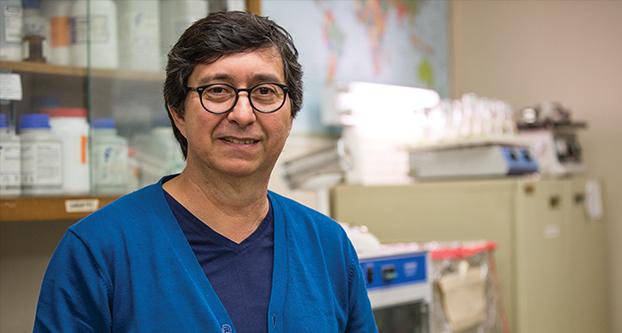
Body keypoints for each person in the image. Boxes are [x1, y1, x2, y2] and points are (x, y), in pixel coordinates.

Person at [33, 11, 377, 333]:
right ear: (178, 113)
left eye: (265, 91)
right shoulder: (97, 251)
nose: (243, 114)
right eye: (217, 90)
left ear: (290, 115)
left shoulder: (329, 247)